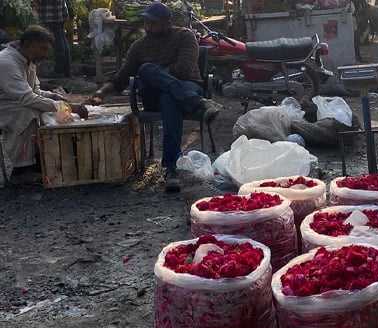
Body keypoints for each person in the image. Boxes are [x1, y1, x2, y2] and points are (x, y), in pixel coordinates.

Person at [89, 2, 223, 193]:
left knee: (169, 98)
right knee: (146, 70)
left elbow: (184, 70)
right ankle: (200, 104)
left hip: (186, 86)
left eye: (153, 22)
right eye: (146, 22)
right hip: (165, 95)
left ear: (167, 23)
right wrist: (100, 93)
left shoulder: (185, 37)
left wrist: (158, 76)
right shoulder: (139, 46)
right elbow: (122, 77)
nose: (147, 26)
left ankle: (171, 169)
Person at [0, 25, 87, 183]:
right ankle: (21, 170)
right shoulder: (6, 62)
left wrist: (58, 98)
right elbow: (27, 98)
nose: (44, 54)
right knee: (29, 112)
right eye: (42, 49)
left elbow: (36, 91)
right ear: (27, 45)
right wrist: (63, 106)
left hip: (15, 102)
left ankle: (42, 161)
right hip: (5, 107)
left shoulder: (27, 59)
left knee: (46, 109)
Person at [37, 0, 72, 78]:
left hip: (53, 10)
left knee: (58, 39)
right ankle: (66, 70)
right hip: (58, 9)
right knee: (61, 37)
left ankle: (59, 70)